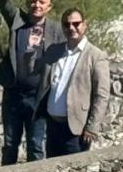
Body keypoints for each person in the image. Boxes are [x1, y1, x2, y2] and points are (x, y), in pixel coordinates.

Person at [0, 0, 60, 165]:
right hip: (13, 94)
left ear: (49, 7)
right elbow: (4, 3)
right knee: (10, 143)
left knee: (36, 144)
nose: (36, 5)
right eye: (33, 1)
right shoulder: (18, 20)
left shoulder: (56, 31)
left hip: (39, 97)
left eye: (41, 2)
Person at [36, 9, 111, 158]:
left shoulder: (95, 56)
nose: (71, 28)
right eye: (67, 24)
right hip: (52, 126)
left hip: (77, 129)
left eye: (76, 24)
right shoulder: (54, 51)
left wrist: (93, 126)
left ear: (84, 25)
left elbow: (102, 95)